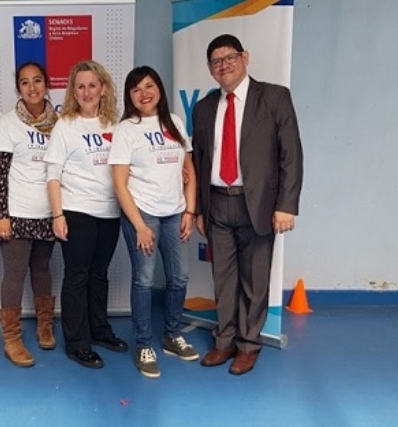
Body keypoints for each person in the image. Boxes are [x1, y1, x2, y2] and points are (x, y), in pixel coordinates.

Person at [191, 34, 303, 375]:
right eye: (216, 61)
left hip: (258, 205)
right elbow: (198, 161)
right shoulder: (205, 107)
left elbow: (292, 155)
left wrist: (287, 205)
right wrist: (197, 208)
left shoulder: (273, 97)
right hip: (217, 204)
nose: (224, 65)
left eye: (230, 58)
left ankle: (248, 345)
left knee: (255, 280)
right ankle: (224, 341)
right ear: (210, 71)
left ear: (245, 58)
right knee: (223, 280)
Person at [109, 66, 199, 379]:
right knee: (144, 280)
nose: (144, 93)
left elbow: (189, 169)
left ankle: (172, 335)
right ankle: (144, 344)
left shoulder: (174, 121)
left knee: (179, 277)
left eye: (149, 86)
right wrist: (140, 226)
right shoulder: (126, 130)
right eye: (136, 89)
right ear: (129, 96)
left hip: (174, 212)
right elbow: (120, 184)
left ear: (158, 88)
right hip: (142, 213)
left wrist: (189, 211)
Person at [44, 60, 128, 369]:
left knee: (99, 275)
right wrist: (57, 215)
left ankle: (99, 330)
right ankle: (77, 343)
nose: (87, 91)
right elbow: (52, 174)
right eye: (80, 86)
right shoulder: (65, 125)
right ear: (72, 91)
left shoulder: (115, 125)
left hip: (109, 213)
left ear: (103, 88)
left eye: (92, 85)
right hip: (77, 210)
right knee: (77, 277)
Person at [0, 62, 59, 368]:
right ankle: (12, 338)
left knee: (42, 269)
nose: (32, 88)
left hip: (48, 211)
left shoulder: (60, 122)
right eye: (24, 82)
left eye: (37, 81)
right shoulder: (8, 123)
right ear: (18, 88)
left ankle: (45, 325)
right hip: (16, 212)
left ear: (46, 84)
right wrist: (1, 214)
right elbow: (0, 172)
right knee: (15, 274)